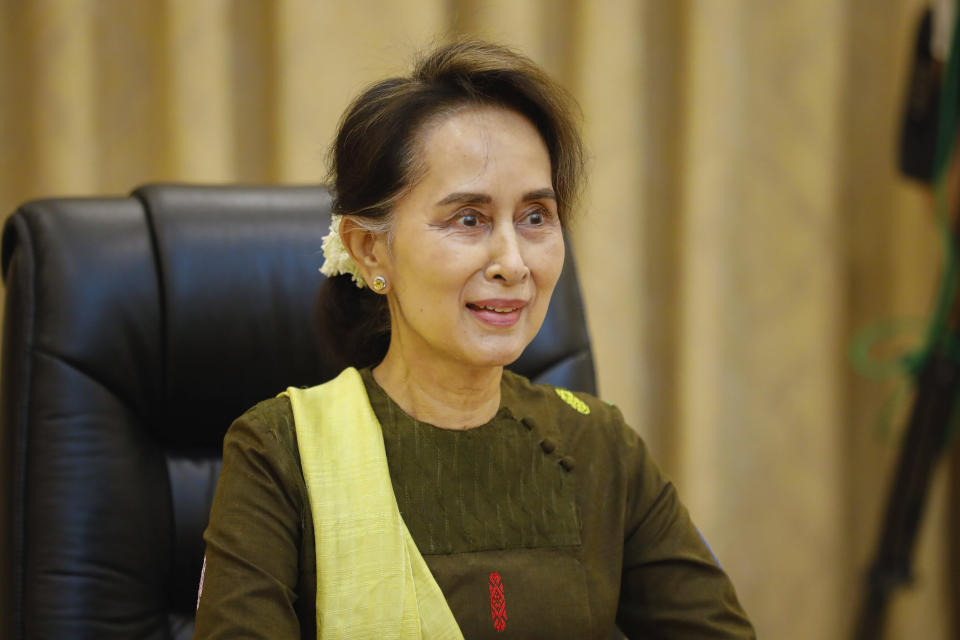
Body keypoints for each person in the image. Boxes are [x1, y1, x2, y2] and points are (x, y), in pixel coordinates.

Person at [193, 39, 755, 639]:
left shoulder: (599, 446)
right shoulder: (280, 451)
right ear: (370, 248)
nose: (513, 263)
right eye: (469, 219)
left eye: (536, 217)